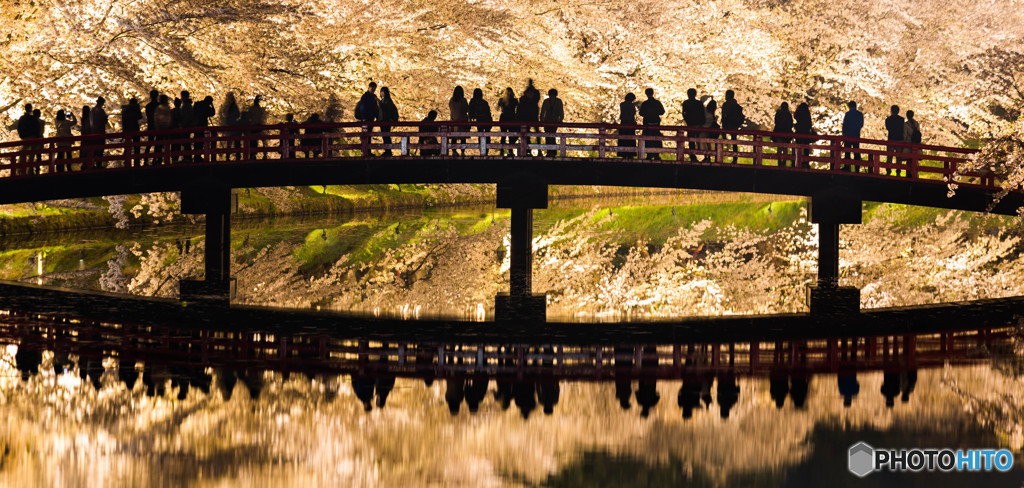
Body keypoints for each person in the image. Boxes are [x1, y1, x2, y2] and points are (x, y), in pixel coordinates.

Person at [638, 88, 665, 160]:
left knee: (647, 138)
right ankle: (657, 154)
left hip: (647, 123)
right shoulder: (657, 102)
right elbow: (662, 112)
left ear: (646, 94)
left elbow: (641, 113)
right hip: (656, 123)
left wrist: (648, 113)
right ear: (653, 93)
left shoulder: (645, 103)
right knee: (657, 138)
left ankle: (649, 154)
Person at [720, 90, 745, 163]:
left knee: (723, 140)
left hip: (727, 124)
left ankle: (721, 156)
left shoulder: (726, 104)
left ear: (728, 95)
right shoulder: (736, 105)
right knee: (734, 140)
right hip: (734, 125)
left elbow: (723, 116)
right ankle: (735, 157)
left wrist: (723, 124)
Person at [516, 79, 541, 154]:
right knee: (534, 131)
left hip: (526, 116)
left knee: (527, 132)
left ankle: (528, 150)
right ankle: (536, 150)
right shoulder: (535, 97)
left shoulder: (524, 99)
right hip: (531, 115)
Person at [682, 88, 706, 162]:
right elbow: (702, 113)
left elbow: (684, 113)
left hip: (690, 123)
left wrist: (686, 120)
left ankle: (692, 155)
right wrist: (702, 123)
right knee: (699, 139)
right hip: (698, 123)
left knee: (691, 139)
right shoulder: (699, 103)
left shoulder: (686, 103)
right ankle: (704, 155)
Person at [355, 82, 379, 157]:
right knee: (366, 135)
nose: (373, 90)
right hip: (366, 119)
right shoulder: (365, 96)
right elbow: (363, 107)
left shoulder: (373, 97)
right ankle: (365, 151)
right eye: (372, 88)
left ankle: (367, 151)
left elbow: (376, 108)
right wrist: (364, 117)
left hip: (370, 118)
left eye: (374, 89)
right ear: (369, 87)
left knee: (368, 135)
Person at [539, 88, 564, 157]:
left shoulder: (546, 101)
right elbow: (561, 112)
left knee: (550, 136)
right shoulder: (558, 101)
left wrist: (541, 120)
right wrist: (560, 120)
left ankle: (550, 152)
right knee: (551, 136)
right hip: (552, 121)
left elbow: (543, 112)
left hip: (550, 121)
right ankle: (552, 152)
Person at [841, 101, 864, 171]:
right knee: (856, 152)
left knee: (847, 152)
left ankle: (847, 167)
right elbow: (861, 125)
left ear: (849, 106)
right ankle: (857, 168)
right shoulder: (860, 114)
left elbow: (844, 125)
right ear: (855, 106)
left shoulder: (847, 114)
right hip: (856, 135)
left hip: (848, 135)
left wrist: (844, 133)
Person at [468, 88, 492, 152]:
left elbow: (470, 112)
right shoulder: (484, 102)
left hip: (480, 121)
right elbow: (488, 113)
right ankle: (486, 151)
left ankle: (482, 150)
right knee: (487, 136)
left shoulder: (473, 101)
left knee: (480, 134)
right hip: (487, 121)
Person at [121, 98, 144, 166]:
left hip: (127, 129)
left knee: (127, 146)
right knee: (136, 146)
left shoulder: (125, 109)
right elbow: (139, 116)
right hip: (134, 129)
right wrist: (137, 108)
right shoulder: (134, 108)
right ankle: (136, 161)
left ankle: (126, 160)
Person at [219, 92, 241, 160]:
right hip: (234, 125)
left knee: (229, 142)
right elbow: (238, 114)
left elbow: (222, 114)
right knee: (236, 142)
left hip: (228, 125)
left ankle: (227, 156)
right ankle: (237, 156)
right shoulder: (234, 106)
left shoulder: (225, 106)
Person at [378, 87, 400, 156]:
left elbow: (386, 109)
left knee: (386, 136)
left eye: (382, 91)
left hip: (386, 121)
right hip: (383, 121)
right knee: (385, 136)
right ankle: (387, 150)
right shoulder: (384, 100)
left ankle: (388, 151)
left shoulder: (387, 101)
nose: (381, 93)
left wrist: (378, 102)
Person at [448, 85, 470, 156]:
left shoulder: (451, 100)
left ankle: (454, 150)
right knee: (463, 137)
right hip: (462, 120)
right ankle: (463, 151)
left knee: (454, 137)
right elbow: (466, 109)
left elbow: (450, 108)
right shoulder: (463, 100)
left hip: (453, 121)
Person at [497, 87, 518, 156]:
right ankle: (510, 151)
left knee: (503, 135)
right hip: (512, 118)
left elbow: (497, 108)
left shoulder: (501, 100)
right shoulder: (515, 100)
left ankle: (502, 150)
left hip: (503, 118)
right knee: (511, 136)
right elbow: (517, 109)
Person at [884, 105, 905, 175]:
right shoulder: (902, 119)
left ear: (891, 111)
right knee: (899, 157)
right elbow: (903, 129)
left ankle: (888, 171)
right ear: (898, 111)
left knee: (889, 156)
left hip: (891, 139)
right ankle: (898, 171)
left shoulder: (888, 119)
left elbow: (888, 128)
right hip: (899, 139)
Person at [153, 95, 174, 164]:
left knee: (158, 145)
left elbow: (156, 119)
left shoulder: (158, 108)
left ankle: (157, 159)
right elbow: (170, 118)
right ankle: (166, 159)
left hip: (160, 129)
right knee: (166, 145)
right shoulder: (168, 108)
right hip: (167, 129)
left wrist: (157, 128)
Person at [618, 93, 638, 158]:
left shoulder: (622, 104)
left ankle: (623, 153)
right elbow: (633, 113)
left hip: (623, 123)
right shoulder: (632, 105)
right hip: (630, 123)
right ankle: (630, 154)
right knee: (630, 139)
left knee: (623, 139)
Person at [90, 97, 109, 166]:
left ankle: (92, 163)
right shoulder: (101, 111)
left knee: (94, 149)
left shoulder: (92, 110)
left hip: (93, 132)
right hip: (100, 132)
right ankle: (99, 164)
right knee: (100, 149)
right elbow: (103, 121)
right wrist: (106, 118)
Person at [700, 98, 719, 162]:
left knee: (703, 144)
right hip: (709, 130)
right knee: (708, 144)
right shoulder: (712, 114)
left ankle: (706, 156)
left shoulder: (705, 111)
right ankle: (708, 156)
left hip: (703, 129)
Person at [144, 90, 160, 162]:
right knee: (158, 144)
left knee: (149, 143)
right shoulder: (159, 106)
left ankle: (146, 159)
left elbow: (149, 117)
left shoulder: (148, 106)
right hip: (158, 127)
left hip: (151, 126)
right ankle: (156, 159)